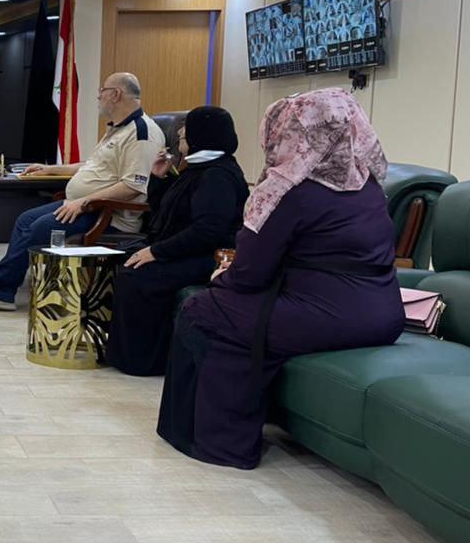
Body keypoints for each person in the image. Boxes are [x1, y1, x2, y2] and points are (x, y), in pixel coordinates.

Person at [156, 89, 403, 470]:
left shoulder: (288, 190)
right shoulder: (368, 186)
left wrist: (221, 279)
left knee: (202, 310)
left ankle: (218, 444)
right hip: (385, 316)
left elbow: (248, 276)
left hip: (329, 317)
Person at [0, 72, 165, 310]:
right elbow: (92, 166)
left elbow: (133, 186)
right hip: (85, 205)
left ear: (115, 94)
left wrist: (84, 202)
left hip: (108, 214)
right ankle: (1, 287)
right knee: (25, 220)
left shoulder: (142, 133)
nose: (98, 96)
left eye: (102, 91)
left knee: (40, 228)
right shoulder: (118, 129)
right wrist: (50, 169)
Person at [104, 106, 249, 376]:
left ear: (201, 134)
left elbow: (209, 230)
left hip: (210, 256)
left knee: (139, 277)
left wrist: (157, 252)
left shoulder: (217, 175)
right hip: (186, 249)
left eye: (186, 126)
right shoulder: (197, 168)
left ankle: (145, 361)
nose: (180, 131)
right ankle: (120, 351)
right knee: (121, 261)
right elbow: (167, 213)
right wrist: (159, 178)